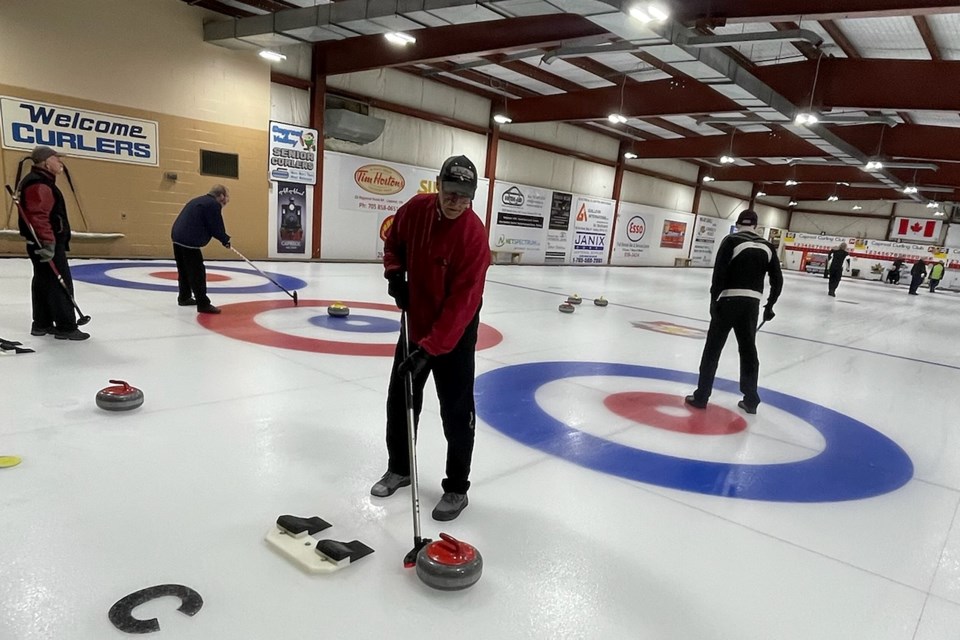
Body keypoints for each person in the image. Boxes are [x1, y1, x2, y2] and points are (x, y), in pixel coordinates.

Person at [370, 155, 489, 522]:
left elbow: (462, 305)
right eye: (451, 193)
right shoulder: (416, 209)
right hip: (416, 320)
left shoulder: (473, 237)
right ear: (438, 186)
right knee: (401, 400)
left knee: (456, 411)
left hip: (455, 333)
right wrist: (394, 275)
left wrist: (429, 350)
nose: (456, 203)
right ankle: (400, 468)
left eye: (464, 197)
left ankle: (456, 488)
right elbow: (394, 242)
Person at [685, 210, 783, 415]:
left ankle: (702, 396)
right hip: (751, 305)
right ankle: (751, 399)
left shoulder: (731, 240)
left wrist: (714, 302)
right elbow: (777, 279)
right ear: (756, 226)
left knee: (713, 349)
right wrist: (770, 306)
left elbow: (719, 273)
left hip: (728, 300)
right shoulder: (768, 246)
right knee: (748, 351)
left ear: (738, 223)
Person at [17, 146, 89, 341]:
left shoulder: (40, 182)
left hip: (40, 241)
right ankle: (66, 326)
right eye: (56, 159)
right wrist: (48, 243)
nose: (60, 162)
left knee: (43, 281)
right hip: (46, 242)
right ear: (45, 162)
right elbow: (39, 216)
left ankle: (41, 324)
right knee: (59, 282)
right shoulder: (40, 184)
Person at [170, 185, 231, 314]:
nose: (227, 200)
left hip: (177, 237)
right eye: (226, 197)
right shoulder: (213, 205)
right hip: (188, 241)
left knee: (184, 271)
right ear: (220, 196)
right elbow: (216, 226)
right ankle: (203, 303)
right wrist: (225, 240)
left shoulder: (199, 200)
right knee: (197, 272)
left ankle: (184, 297)